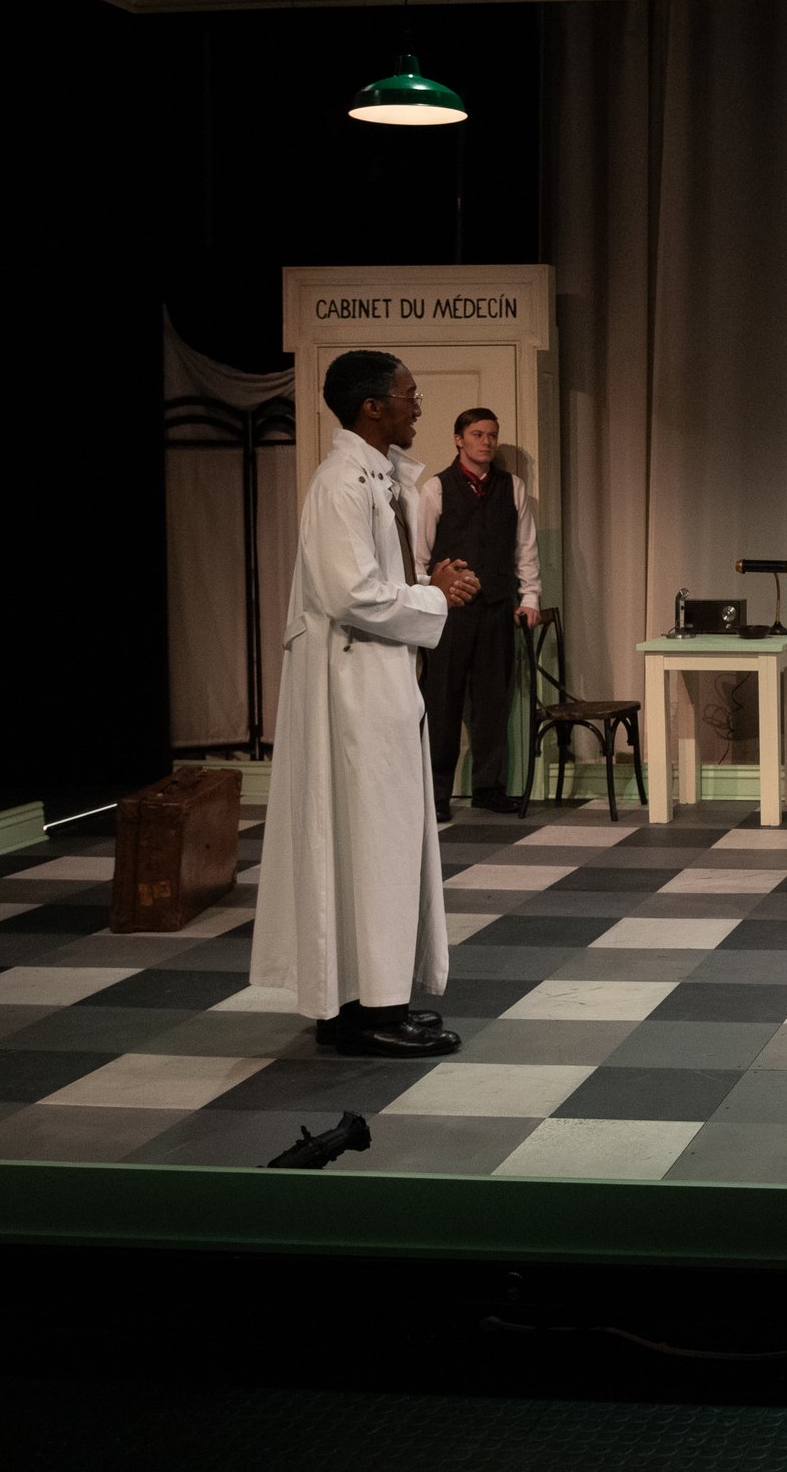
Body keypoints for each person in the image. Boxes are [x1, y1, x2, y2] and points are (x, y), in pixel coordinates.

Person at [250, 351, 480, 1058]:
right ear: (372, 406)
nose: (420, 405)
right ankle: (363, 1010)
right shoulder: (341, 483)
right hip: (352, 693)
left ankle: (369, 1000)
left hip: (376, 683)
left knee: (379, 843)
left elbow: (371, 580)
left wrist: (421, 582)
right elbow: (351, 593)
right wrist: (431, 594)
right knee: (370, 843)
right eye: (409, 393)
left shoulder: (374, 477)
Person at [413, 406, 542, 822]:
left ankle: (490, 787)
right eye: (477, 434)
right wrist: (430, 594)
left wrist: (530, 599)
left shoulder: (513, 487)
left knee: (493, 702)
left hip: (497, 608)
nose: (486, 442)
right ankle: (436, 795)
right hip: (449, 615)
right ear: (459, 439)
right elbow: (418, 559)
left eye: (492, 435)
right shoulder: (436, 489)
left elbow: (525, 551)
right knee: (443, 702)